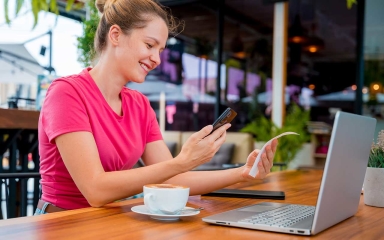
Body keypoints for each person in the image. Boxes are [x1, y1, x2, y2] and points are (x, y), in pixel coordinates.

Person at [35, 0, 278, 214]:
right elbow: (95, 190)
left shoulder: (139, 105)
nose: (157, 59)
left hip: (111, 220)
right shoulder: (67, 93)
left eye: (161, 50)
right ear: (116, 35)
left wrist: (242, 173)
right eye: (150, 45)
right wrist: (182, 161)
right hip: (62, 221)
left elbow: (174, 179)